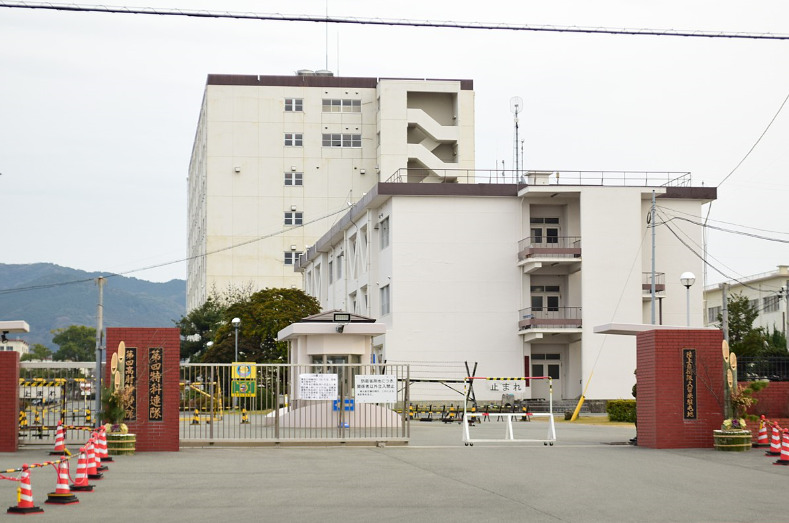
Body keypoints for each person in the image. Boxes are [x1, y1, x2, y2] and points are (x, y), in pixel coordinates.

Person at [629, 368, 637, 445]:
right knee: (636, 421)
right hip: (638, 406)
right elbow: (634, 393)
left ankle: (640, 436)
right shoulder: (636, 385)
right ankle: (638, 435)